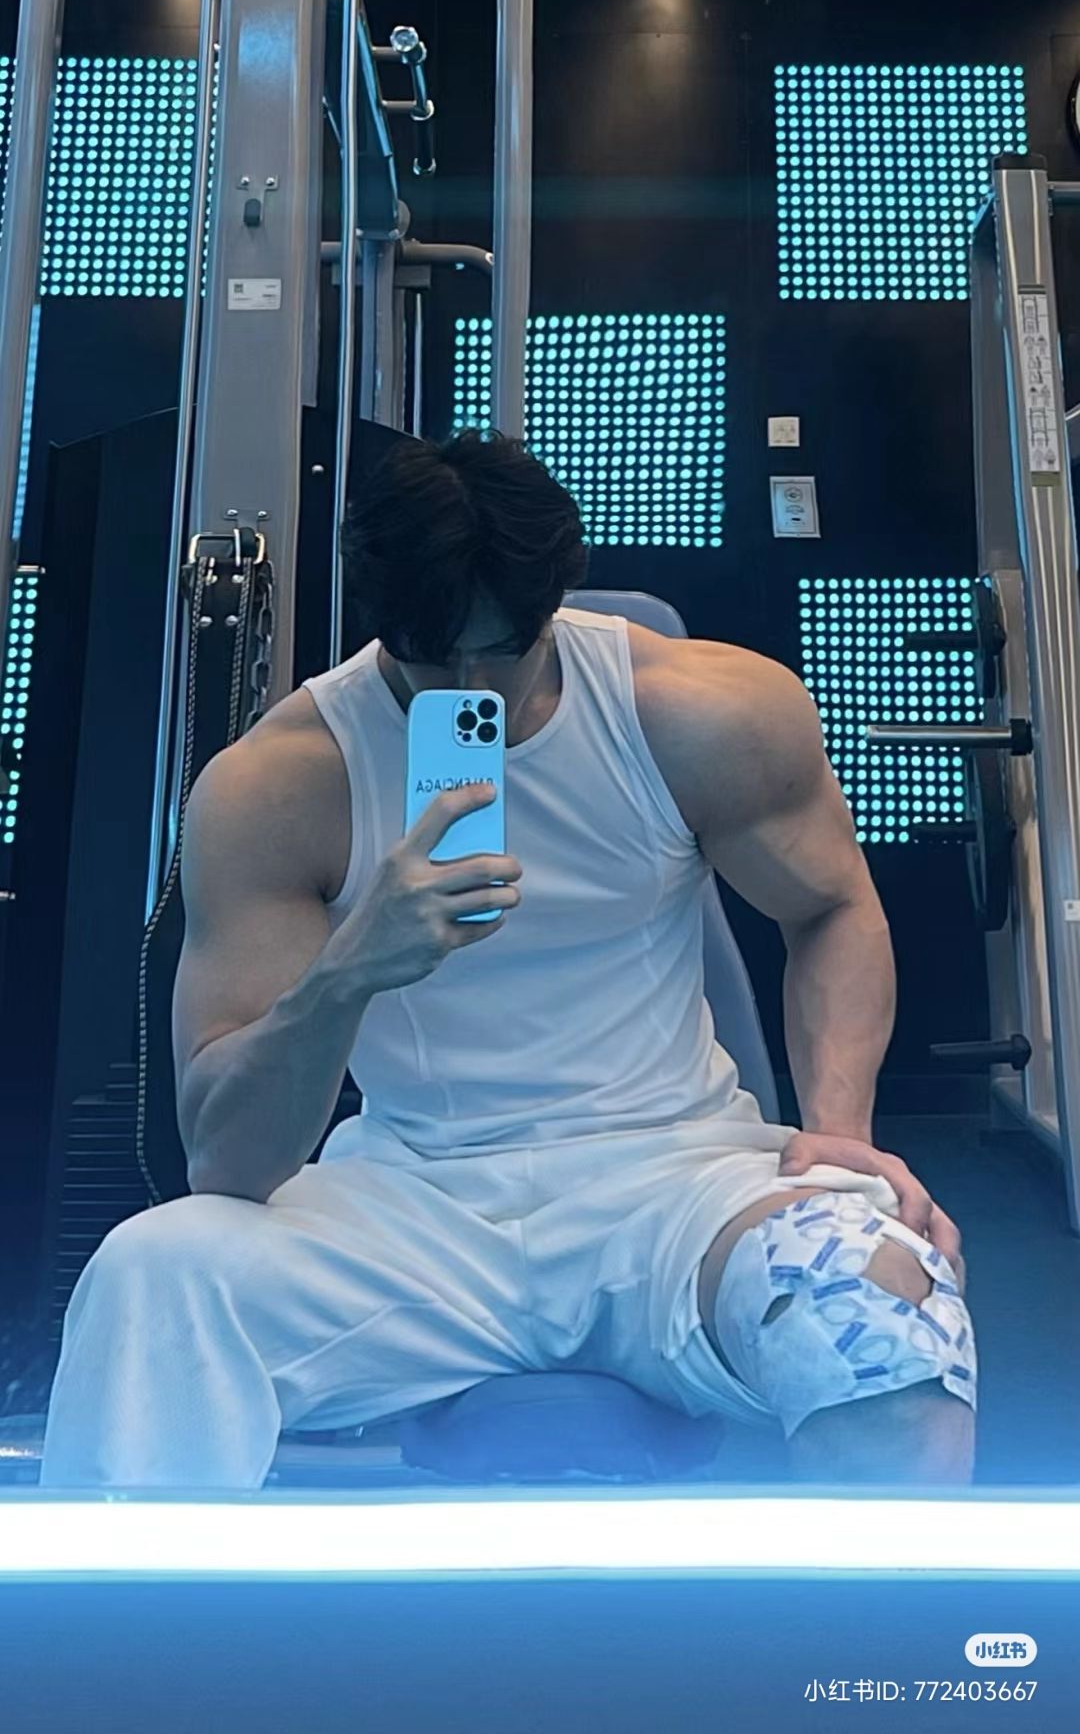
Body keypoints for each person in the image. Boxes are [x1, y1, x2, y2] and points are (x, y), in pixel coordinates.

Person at [39, 430, 976, 1490]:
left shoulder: (702, 714)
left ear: (555, 602)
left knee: (883, 1307)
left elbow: (834, 907)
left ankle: (850, 1610)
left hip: (676, 1183)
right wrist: (350, 969)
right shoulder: (280, 785)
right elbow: (228, 1162)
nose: (468, 684)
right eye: (432, 657)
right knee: (152, 1273)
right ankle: (147, 1609)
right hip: (415, 1209)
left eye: (501, 651)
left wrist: (841, 1132)